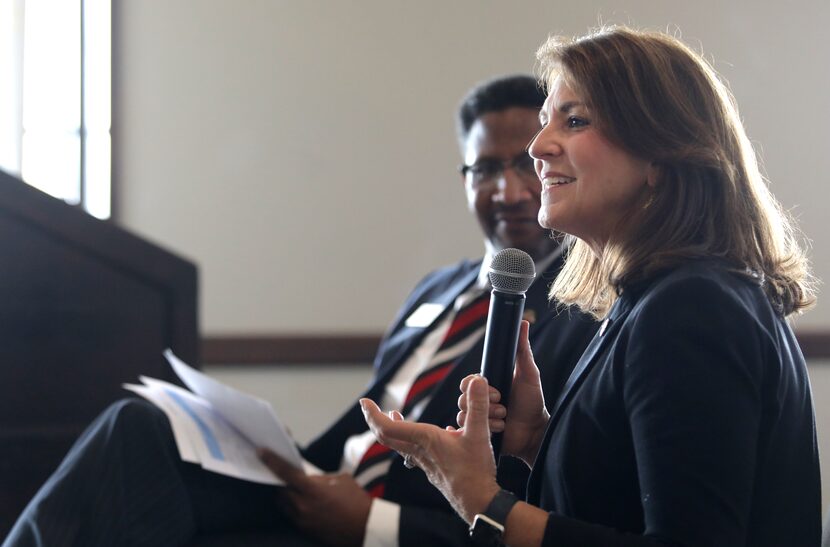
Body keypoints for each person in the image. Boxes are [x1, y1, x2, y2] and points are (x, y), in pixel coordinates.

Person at [3, 75, 598, 547]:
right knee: (138, 431)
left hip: (402, 523)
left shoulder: (581, 312)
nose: (509, 190)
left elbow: (541, 502)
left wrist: (370, 523)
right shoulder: (435, 290)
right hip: (317, 480)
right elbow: (375, 414)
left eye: (524, 163)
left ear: (549, 166)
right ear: (465, 179)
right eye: (486, 169)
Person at [362, 26, 821, 547]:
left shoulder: (692, 307)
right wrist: (537, 440)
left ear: (660, 155)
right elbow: (629, 499)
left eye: (574, 120)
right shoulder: (653, 299)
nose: (538, 147)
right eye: (545, 122)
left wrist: (480, 501)